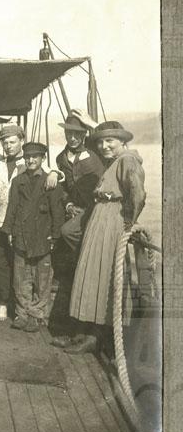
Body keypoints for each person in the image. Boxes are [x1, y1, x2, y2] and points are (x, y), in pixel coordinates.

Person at [65, 121, 146, 354]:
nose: (104, 146)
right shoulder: (115, 161)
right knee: (93, 273)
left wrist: (129, 222)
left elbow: (137, 194)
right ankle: (85, 332)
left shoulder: (127, 160)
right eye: (100, 141)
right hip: (101, 218)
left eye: (110, 140)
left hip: (112, 220)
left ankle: (96, 336)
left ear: (122, 141)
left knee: (104, 275)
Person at [0, 124, 61, 322]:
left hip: (27, 228)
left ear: (21, 141)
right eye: (5, 142)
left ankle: (25, 310)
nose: (8, 146)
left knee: (27, 270)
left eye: (12, 142)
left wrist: (56, 173)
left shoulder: (31, 162)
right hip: (3, 222)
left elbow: (50, 174)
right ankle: (8, 301)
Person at [50, 112, 105, 348]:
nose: (72, 138)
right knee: (69, 274)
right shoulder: (61, 158)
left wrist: (94, 125)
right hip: (75, 213)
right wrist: (68, 204)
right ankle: (69, 328)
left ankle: (89, 331)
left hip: (95, 211)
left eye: (76, 134)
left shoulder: (95, 153)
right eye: (68, 133)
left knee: (68, 235)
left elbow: (108, 139)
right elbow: (64, 189)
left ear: (84, 135)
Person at [2, 143, 64, 333]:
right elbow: (12, 207)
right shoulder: (18, 182)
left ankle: (36, 314)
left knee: (42, 278)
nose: (30, 160)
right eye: (27, 157)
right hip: (21, 234)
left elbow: (57, 212)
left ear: (43, 159)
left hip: (42, 236)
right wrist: (9, 231)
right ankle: (22, 313)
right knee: (21, 278)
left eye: (35, 157)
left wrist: (55, 236)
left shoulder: (50, 182)